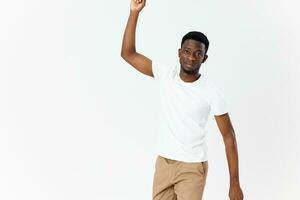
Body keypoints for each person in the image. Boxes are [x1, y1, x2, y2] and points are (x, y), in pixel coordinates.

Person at [121, 0, 244, 199]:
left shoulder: (211, 92)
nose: (191, 57)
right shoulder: (165, 74)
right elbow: (128, 53)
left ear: (204, 58)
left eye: (198, 53)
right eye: (187, 52)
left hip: (192, 167)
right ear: (179, 53)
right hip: (164, 163)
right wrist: (134, 12)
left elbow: (229, 136)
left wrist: (234, 183)